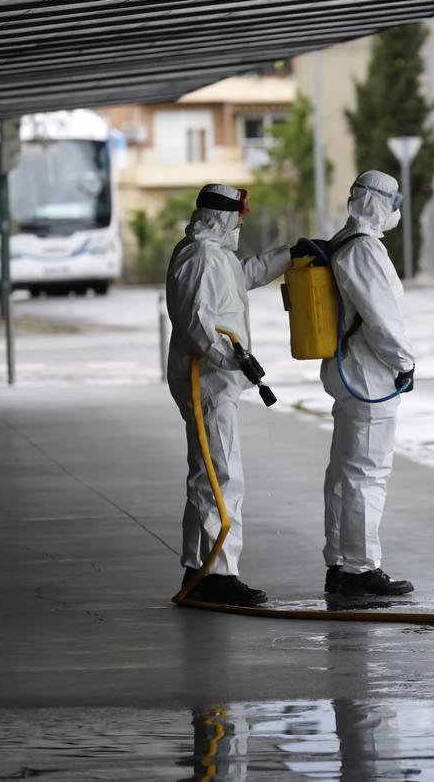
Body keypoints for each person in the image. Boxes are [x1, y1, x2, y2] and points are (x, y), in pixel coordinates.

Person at [166, 183, 290, 606]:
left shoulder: (215, 256)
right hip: (207, 381)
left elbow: (245, 276)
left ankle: (201, 567)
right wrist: (237, 358)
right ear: (220, 217)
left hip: (217, 382)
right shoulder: (200, 257)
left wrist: (291, 254)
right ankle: (215, 574)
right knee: (219, 476)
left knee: (212, 474)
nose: (241, 222)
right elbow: (197, 326)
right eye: (238, 215)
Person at [318, 171, 417, 597]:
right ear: (378, 203)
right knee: (366, 474)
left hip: (349, 373)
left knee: (344, 473)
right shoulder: (364, 250)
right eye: (393, 199)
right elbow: (381, 318)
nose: (397, 207)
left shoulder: (343, 243)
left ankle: (341, 563)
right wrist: (405, 363)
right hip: (370, 377)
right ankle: (360, 569)